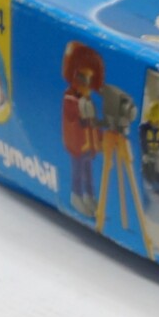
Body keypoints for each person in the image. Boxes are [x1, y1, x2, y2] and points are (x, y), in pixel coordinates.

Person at [61, 42, 105, 216]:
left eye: (89, 79)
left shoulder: (87, 100)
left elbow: (93, 123)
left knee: (88, 173)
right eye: (82, 77)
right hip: (77, 145)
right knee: (78, 172)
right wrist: (81, 108)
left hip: (88, 146)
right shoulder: (70, 97)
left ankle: (90, 197)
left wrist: (100, 139)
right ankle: (76, 195)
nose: (85, 83)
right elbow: (72, 114)